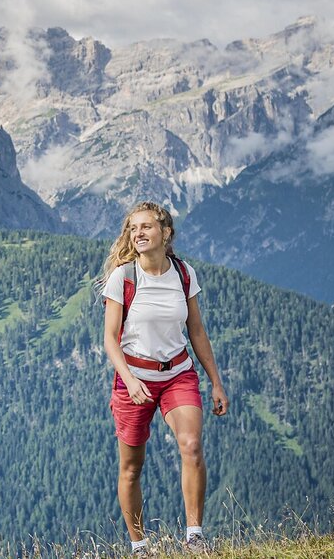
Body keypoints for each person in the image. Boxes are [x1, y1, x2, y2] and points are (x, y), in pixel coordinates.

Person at [101, 202, 228, 555]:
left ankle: (194, 536)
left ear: (166, 232)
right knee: (131, 467)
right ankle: (139, 545)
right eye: (132, 229)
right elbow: (110, 338)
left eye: (146, 227)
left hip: (178, 374)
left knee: (191, 446)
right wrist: (128, 379)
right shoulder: (123, 277)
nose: (138, 233)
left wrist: (215, 381)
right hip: (134, 377)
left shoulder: (184, 274)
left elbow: (197, 331)